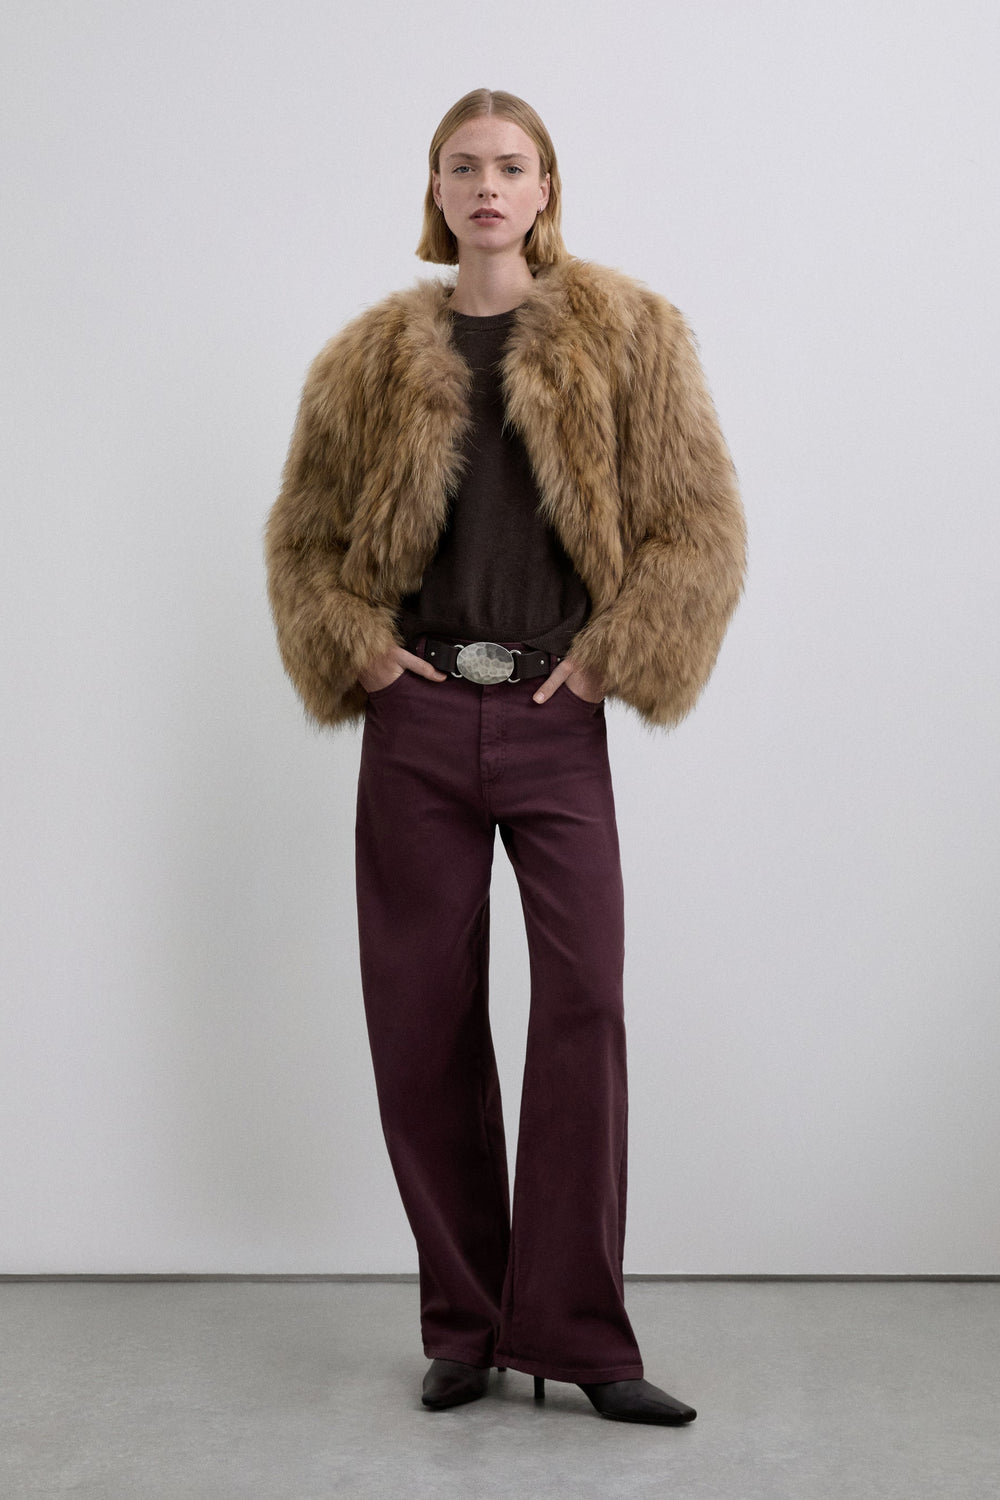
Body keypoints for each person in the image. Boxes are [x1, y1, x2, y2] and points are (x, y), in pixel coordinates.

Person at [265, 88, 746, 1426]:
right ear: (435, 187)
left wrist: (608, 657)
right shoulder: (366, 360)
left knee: (584, 1006)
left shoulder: (629, 334)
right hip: (417, 721)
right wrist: (360, 651)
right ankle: (466, 1327)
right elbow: (305, 536)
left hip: (554, 714)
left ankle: (582, 1336)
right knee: (421, 1020)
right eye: (464, 165)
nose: (489, 186)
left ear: (546, 189)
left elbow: (700, 527)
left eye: (512, 166)